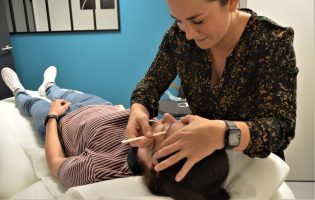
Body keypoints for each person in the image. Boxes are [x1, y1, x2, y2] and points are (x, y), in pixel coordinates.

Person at [126, 0, 298, 182]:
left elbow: (281, 129)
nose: (189, 34)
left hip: (254, 167)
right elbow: (150, 85)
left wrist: (223, 133)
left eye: (198, 21)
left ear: (232, 2)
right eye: (178, 20)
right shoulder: (178, 37)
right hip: (203, 167)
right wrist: (139, 109)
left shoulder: (271, 42)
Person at [1, 66, 230, 199]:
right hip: (101, 105)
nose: (166, 116)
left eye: (167, 127)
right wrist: (128, 111)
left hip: (64, 122)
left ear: (156, 162)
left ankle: (20, 91)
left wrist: (52, 117)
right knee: (63, 92)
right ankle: (49, 86)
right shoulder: (150, 132)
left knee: (33, 106)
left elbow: (56, 163)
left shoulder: (100, 168)